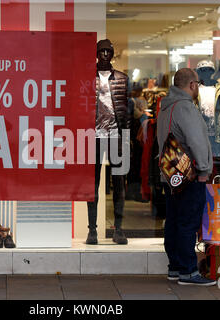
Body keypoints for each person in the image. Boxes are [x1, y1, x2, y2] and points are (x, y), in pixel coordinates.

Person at [157, 68, 216, 286]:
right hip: (189, 177)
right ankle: (188, 272)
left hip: (170, 176)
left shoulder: (164, 108)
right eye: (198, 85)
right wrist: (203, 170)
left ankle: (174, 267)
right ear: (192, 85)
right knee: (188, 222)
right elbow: (197, 142)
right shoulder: (185, 108)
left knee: (173, 221)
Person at [86, 39, 130, 245]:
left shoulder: (122, 78)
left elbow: (126, 112)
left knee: (119, 184)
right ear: (96, 53)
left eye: (108, 51)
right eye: (101, 50)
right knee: (92, 184)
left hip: (116, 136)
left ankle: (119, 229)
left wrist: (126, 138)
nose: (105, 54)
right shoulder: (86, 78)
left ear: (112, 54)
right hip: (93, 137)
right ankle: (92, 230)